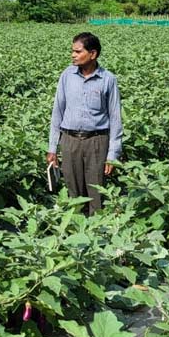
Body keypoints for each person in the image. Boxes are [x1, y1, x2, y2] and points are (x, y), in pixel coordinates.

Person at [47, 32, 123, 215]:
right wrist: (52, 147)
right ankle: (74, 234)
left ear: (93, 54)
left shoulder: (108, 80)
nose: (73, 55)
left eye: (78, 51)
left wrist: (112, 154)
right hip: (69, 140)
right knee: (73, 190)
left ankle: (97, 235)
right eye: (72, 51)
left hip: (96, 141)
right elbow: (57, 111)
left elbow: (115, 119)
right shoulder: (67, 75)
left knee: (96, 191)